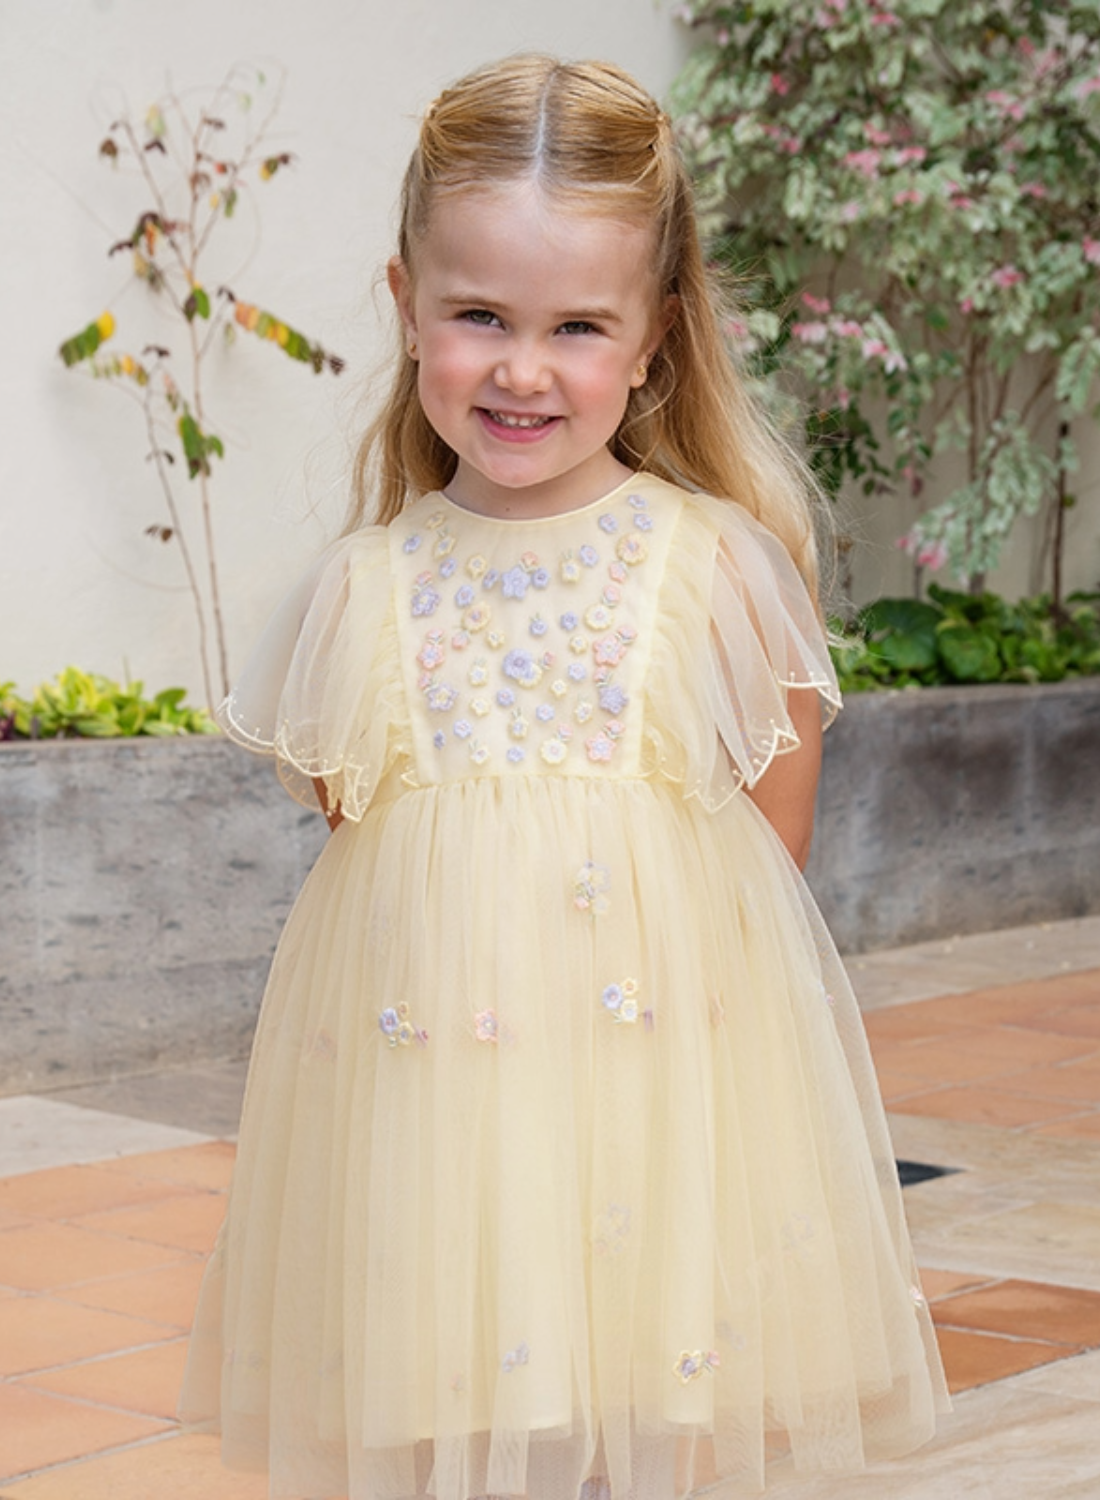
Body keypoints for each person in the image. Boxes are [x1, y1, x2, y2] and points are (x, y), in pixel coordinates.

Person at [180, 54, 949, 1500]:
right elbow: (369, 863)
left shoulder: (721, 571)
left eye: (578, 326)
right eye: (480, 315)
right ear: (406, 304)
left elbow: (767, 870)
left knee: (641, 1429)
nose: (522, 369)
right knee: (460, 1423)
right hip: (439, 1114)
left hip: (656, 1100)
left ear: (657, 337)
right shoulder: (361, 594)